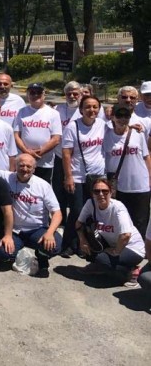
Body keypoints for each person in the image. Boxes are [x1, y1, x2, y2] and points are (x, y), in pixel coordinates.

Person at [0, 154, 63, 278]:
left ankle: (41, 256)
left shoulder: (43, 185)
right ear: (15, 166)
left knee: (55, 246)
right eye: (21, 165)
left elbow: (57, 213)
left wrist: (50, 233)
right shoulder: (7, 177)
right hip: (14, 230)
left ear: (34, 169)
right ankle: (17, 252)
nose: (24, 169)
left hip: (37, 229)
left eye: (28, 166)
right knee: (3, 254)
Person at [76, 177, 146, 288]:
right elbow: (79, 223)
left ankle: (131, 272)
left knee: (102, 260)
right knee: (87, 235)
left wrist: (116, 251)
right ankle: (98, 266)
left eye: (105, 191)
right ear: (92, 193)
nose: (101, 194)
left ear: (111, 192)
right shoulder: (91, 203)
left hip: (132, 248)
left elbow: (126, 235)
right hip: (112, 243)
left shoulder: (118, 207)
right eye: (97, 191)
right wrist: (82, 240)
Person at [61, 95, 106, 257]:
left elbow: (121, 127)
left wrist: (135, 127)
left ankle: (85, 244)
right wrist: (68, 176)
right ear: (81, 110)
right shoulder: (72, 127)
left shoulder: (103, 125)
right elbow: (66, 153)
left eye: (95, 107)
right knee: (77, 210)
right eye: (87, 107)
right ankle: (69, 244)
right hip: (78, 175)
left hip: (98, 175)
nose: (91, 110)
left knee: (92, 212)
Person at [103, 105, 151, 236]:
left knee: (141, 220)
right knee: (123, 220)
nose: (123, 119)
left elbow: (146, 156)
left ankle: (141, 245)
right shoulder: (106, 135)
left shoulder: (137, 134)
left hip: (140, 184)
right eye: (119, 116)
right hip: (120, 186)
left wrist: (150, 177)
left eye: (126, 116)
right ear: (113, 117)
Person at [51, 81, 84, 234]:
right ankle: (61, 220)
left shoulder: (86, 109)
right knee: (59, 190)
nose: (72, 96)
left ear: (81, 94)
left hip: (78, 158)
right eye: (68, 93)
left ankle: (77, 222)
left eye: (75, 93)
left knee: (75, 191)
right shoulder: (57, 110)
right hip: (59, 156)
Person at [13, 83, 62, 182]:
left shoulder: (54, 113)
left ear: (44, 94)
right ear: (27, 95)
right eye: (32, 92)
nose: (35, 95)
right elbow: (16, 135)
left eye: (38, 92)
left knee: (42, 187)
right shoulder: (21, 112)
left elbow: (56, 139)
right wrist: (27, 152)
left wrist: (39, 153)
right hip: (24, 161)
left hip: (45, 162)